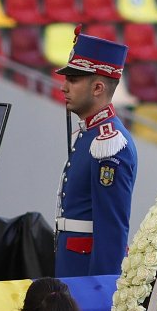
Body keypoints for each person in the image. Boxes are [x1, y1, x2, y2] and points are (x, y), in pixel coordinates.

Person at [54, 30, 136, 279]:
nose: (63, 86)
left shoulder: (108, 143)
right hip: (71, 266)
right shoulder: (90, 134)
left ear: (98, 87)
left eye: (73, 80)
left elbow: (111, 230)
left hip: (85, 272)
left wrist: (100, 289)